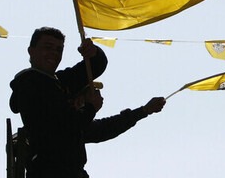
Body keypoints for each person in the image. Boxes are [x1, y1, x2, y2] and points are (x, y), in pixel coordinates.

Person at [10, 27, 165, 178]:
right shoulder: (30, 84)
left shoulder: (60, 82)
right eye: (48, 47)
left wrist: (93, 51)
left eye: (59, 49)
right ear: (31, 51)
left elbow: (97, 65)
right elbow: (64, 128)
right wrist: (90, 108)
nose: (54, 53)